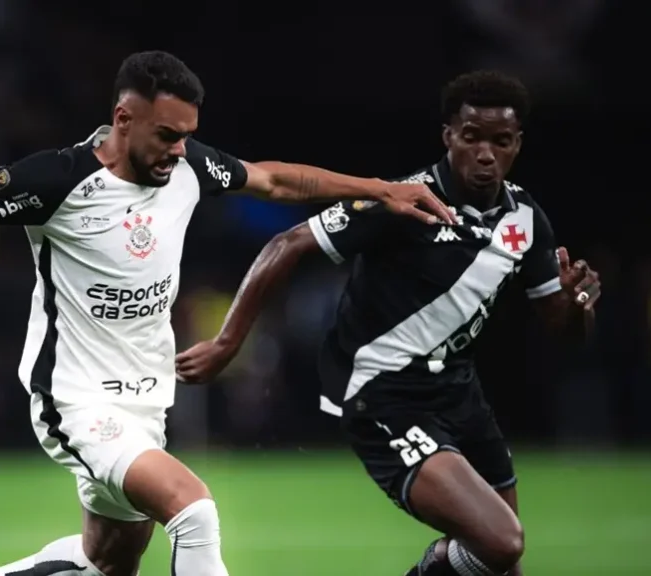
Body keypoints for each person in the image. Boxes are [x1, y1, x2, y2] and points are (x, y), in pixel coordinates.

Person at [0, 50, 454, 576]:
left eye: (188, 136)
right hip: (76, 398)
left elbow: (275, 179)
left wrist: (381, 190)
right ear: (124, 119)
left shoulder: (186, 166)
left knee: (106, 561)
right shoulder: (59, 179)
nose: (180, 150)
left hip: (146, 401)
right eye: (167, 135)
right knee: (194, 510)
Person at [175, 70, 602, 576]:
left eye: (500, 141)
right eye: (471, 137)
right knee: (502, 542)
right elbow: (285, 245)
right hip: (384, 393)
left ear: (517, 145)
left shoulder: (525, 220)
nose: (485, 153)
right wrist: (228, 342)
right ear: (448, 136)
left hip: (460, 395)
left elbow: (564, 330)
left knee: (498, 564)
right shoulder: (404, 200)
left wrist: (579, 308)